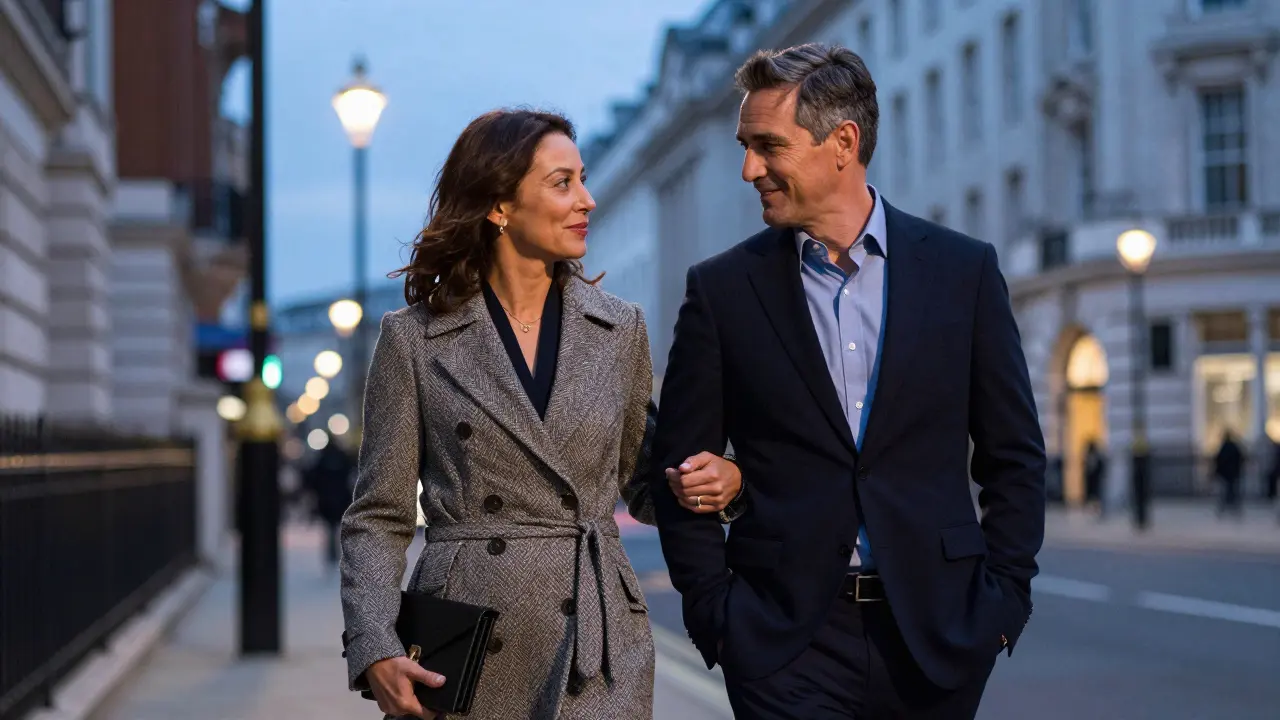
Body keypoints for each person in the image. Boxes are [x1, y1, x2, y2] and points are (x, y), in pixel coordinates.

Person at [650, 43, 1046, 719]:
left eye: (769, 147)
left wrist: (1003, 605)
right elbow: (678, 468)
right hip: (783, 647)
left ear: (843, 142)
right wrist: (715, 616)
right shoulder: (722, 291)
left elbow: (1014, 456)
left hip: (937, 639)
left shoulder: (964, 272)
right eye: (746, 147)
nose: (750, 169)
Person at [338, 109, 746, 720]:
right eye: (563, 183)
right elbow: (379, 514)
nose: (587, 199)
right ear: (500, 205)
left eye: (583, 179)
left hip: (596, 638)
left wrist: (727, 480)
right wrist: (375, 643)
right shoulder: (415, 340)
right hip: (468, 638)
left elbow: (644, 483)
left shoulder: (618, 329)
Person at [305, 439, 355, 567]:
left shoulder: (322, 459)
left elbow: (313, 478)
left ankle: (332, 553)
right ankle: (341, 553)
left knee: (330, 527)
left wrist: (316, 492)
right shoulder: (343, 457)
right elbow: (351, 471)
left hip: (326, 498)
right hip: (341, 497)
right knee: (341, 527)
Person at [1213, 430, 1244, 518]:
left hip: (1226, 473)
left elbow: (1219, 460)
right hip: (1233, 473)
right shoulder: (1234, 447)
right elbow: (1240, 458)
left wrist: (1217, 471)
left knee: (1225, 491)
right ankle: (1235, 509)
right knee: (1233, 491)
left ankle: (1224, 509)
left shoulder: (1223, 448)